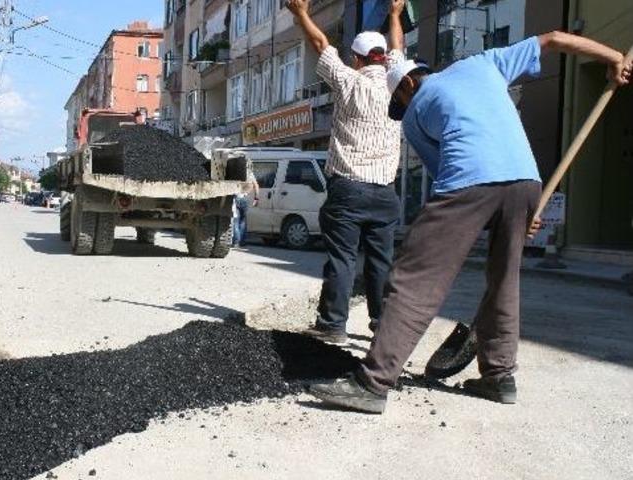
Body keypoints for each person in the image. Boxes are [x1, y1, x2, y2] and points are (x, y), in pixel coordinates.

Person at [307, 14, 632, 413]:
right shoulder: (483, 64)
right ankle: (498, 377)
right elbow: (552, 39)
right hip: (526, 181)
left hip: (470, 178)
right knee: (504, 280)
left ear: (408, 83)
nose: (401, 110)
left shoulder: (416, 110)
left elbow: (452, 176)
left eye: (399, 102)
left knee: (416, 276)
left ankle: (373, 383)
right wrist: (614, 57)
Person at [286, 0, 403, 344]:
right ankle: (382, 325)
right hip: (385, 192)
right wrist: (395, 15)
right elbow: (398, 46)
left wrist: (301, 13)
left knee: (343, 259)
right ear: (381, 58)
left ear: (357, 58)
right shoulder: (397, 83)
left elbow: (322, 46)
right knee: (381, 262)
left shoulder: (348, 81)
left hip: (349, 189)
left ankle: (333, 325)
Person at [232, 177, 259, 248]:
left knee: (236, 221)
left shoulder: (236, 172)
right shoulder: (250, 174)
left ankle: (236, 242)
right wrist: (256, 198)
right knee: (243, 221)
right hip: (245, 198)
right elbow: (256, 185)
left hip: (236, 197)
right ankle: (243, 241)